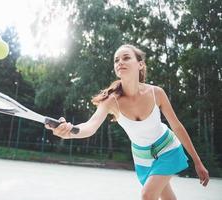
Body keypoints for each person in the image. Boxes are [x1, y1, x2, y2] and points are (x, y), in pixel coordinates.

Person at [45, 44, 209, 199]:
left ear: (140, 64)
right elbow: (90, 126)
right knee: (167, 198)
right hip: (142, 156)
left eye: (126, 58)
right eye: (116, 60)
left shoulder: (156, 93)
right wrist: (71, 131)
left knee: (147, 195)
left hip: (167, 148)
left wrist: (198, 162)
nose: (120, 62)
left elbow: (177, 126)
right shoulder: (111, 101)